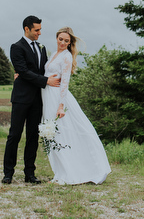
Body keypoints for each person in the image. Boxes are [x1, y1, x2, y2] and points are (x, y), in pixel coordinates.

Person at [41, 27, 111, 185]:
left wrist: (61, 106)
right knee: (54, 136)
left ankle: (72, 171)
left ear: (70, 43)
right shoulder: (54, 54)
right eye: (61, 39)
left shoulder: (66, 57)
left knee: (63, 134)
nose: (63, 43)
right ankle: (60, 172)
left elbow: (64, 82)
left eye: (66, 41)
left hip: (57, 98)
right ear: (56, 38)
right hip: (48, 97)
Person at [2, 15, 60, 184]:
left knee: (33, 136)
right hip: (21, 98)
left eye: (40, 29)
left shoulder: (41, 48)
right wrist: (45, 81)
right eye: (37, 30)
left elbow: (44, 69)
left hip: (37, 99)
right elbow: (23, 70)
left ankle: (30, 173)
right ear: (27, 29)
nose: (39, 33)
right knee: (14, 135)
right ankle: (8, 173)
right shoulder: (16, 47)